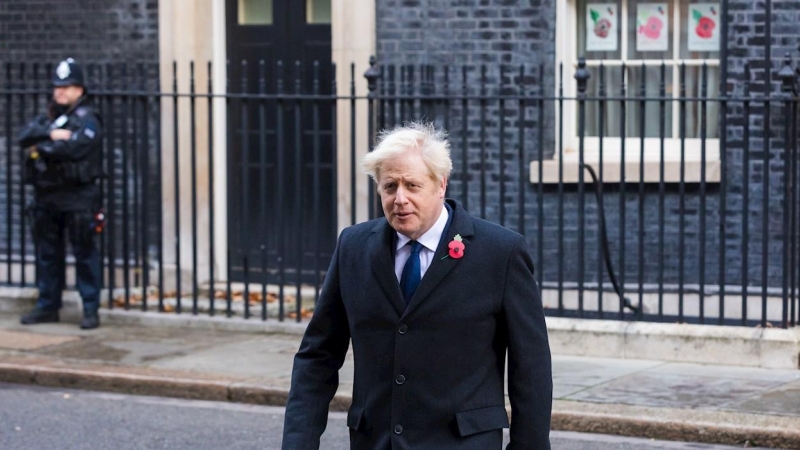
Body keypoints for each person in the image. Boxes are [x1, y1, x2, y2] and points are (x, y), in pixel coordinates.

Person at [282, 122, 552, 449]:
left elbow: (531, 369)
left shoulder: (501, 252)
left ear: (441, 185)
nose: (400, 199)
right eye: (390, 186)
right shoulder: (353, 247)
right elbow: (318, 356)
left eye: (412, 185)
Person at [17, 58, 104, 330]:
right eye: (57, 87)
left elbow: (76, 149)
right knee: (47, 254)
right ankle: (47, 306)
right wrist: (51, 135)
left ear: (80, 90)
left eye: (67, 87)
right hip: (47, 196)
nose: (60, 93)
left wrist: (42, 147)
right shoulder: (49, 118)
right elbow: (24, 137)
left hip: (79, 197)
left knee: (85, 254)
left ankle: (90, 309)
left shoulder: (87, 118)